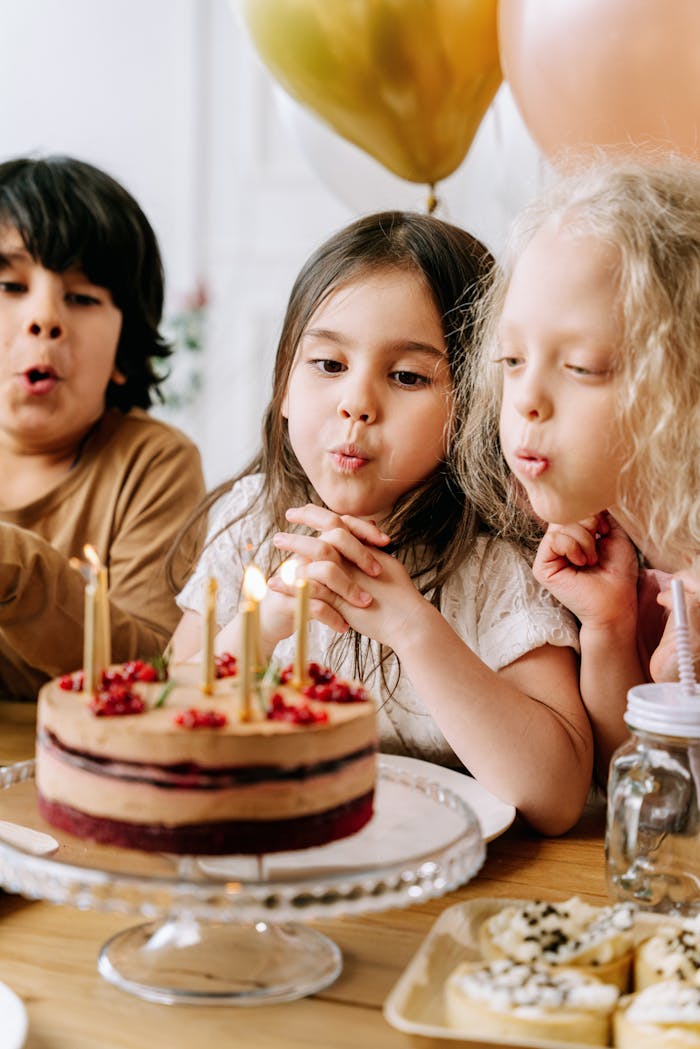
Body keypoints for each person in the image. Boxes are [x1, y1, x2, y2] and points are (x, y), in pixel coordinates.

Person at [171, 210, 592, 836]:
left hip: (446, 878)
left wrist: (414, 629)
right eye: (329, 365)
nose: (357, 404)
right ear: (285, 384)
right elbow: (166, 717)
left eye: (406, 376)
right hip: (274, 855)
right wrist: (265, 624)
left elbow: (555, 797)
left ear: (475, 404)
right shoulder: (251, 521)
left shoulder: (497, 559)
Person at [458, 154, 700, 785]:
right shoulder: (637, 552)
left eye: (584, 367)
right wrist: (611, 628)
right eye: (511, 359)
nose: (526, 399)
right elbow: (629, 787)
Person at [0, 155, 206, 700]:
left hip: (73, 770)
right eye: (10, 285)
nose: (44, 318)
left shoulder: (152, 464)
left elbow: (154, 671)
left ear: (124, 352)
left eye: (82, 297)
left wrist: (18, 571)